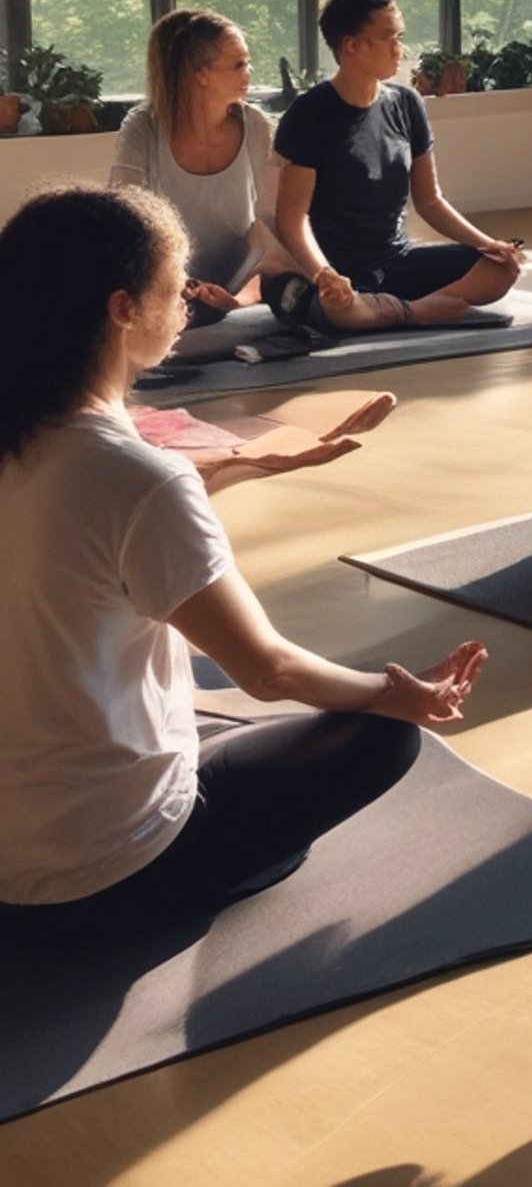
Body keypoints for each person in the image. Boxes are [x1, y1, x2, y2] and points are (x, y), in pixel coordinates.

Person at [0, 184, 486, 935]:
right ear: (124, 309)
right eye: (174, 288)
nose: (186, 303)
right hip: (109, 870)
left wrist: (244, 464)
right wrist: (394, 692)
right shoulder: (138, 478)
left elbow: (96, 534)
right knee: (380, 737)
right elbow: (269, 672)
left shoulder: (39, 438)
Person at [272, 0, 525, 331]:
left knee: (500, 270)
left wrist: (489, 244)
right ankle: (416, 311)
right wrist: (323, 274)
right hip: (340, 271)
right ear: (351, 45)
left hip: (396, 261)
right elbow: (292, 219)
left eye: (399, 37)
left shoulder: (407, 103)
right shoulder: (309, 113)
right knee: (335, 308)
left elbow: (430, 201)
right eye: (389, 38)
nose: (399, 49)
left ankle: (399, 310)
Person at [109, 8, 291, 325]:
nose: (249, 73)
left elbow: (269, 227)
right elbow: (122, 220)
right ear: (201, 74)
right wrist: (174, 283)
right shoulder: (143, 127)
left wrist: (241, 298)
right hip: (165, 282)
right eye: (238, 65)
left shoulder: (255, 125)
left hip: (241, 281)